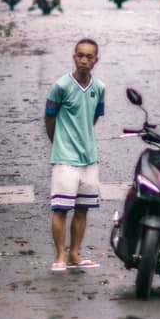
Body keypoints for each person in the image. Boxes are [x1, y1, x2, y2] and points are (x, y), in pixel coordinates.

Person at [45, 38, 106, 273]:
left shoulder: (99, 88)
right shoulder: (60, 86)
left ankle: (75, 253)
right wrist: (58, 143)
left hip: (89, 157)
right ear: (74, 57)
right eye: (80, 55)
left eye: (89, 56)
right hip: (65, 157)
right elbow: (49, 117)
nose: (83, 60)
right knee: (61, 208)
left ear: (95, 61)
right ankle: (60, 256)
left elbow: (94, 117)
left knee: (82, 209)